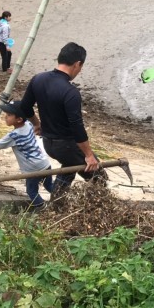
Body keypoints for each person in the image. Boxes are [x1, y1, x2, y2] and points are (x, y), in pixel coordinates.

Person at [19, 42, 101, 194]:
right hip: (66, 146)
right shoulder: (70, 92)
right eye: (81, 67)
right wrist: (89, 155)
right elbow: (77, 126)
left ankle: (57, 207)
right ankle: (73, 208)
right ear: (77, 64)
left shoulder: (38, 79)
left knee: (68, 169)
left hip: (49, 144)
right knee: (99, 177)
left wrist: (37, 124)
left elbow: (24, 107)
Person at [0, 101, 53, 208]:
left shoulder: (14, 135)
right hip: (44, 163)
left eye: (9, 115)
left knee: (31, 191)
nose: (5, 117)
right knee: (50, 185)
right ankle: (63, 199)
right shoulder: (28, 124)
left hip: (32, 170)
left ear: (19, 119)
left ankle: (43, 208)